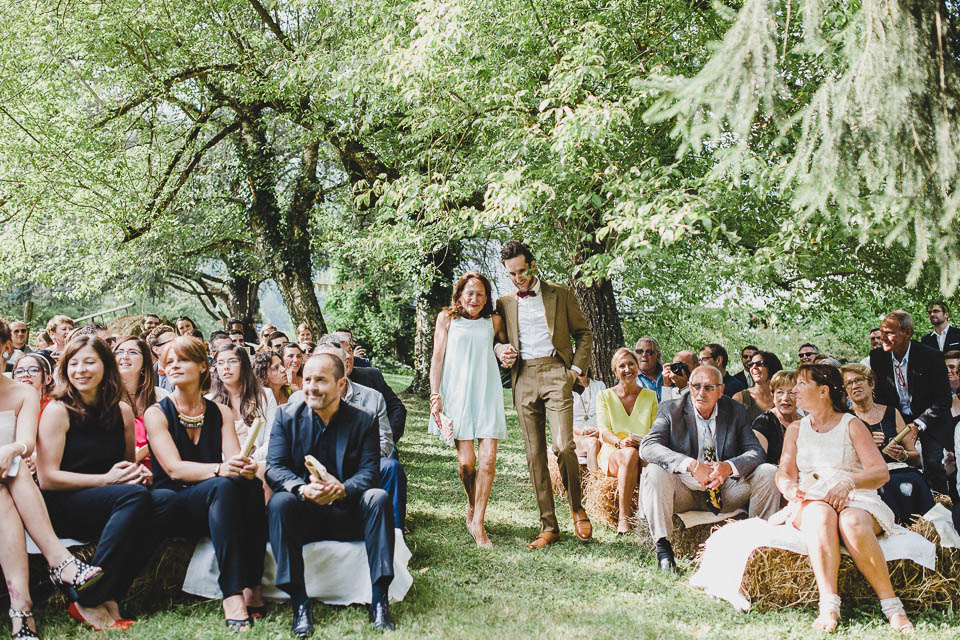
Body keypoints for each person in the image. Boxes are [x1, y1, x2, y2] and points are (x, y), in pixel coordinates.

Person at [775, 364, 914, 633]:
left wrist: (848, 483)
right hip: (813, 499)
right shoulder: (795, 428)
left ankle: (892, 605)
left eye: (802, 384)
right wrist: (789, 489)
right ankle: (828, 604)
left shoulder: (852, 424)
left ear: (824, 391)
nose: (794, 390)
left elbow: (880, 472)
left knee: (851, 522)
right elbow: (784, 472)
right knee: (820, 514)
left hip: (856, 496)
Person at [266, 354, 396, 636]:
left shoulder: (364, 420)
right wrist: (301, 489)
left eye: (320, 380)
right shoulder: (285, 417)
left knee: (378, 497)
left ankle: (379, 601)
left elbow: (370, 472)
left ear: (340, 384)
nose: (311, 387)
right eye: (308, 379)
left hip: (347, 513)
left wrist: (344, 488)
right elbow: (274, 468)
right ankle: (299, 602)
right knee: (280, 501)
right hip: (305, 514)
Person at [144, 336, 266, 632]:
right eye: (169, 361)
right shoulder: (156, 413)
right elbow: (173, 470)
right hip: (172, 502)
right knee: (223, 485)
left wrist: (245, 467)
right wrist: (222, 469)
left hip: (217, 501)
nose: (174, 366)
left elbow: (233, 460)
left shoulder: (221, 412)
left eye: (182, 359)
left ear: (202, 366)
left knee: (248, 485)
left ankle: (253, 585)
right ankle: (233, 593)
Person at [36, 335, 154, 630]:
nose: (81, 370)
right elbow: (47, 478)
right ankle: (88, 598)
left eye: (90, 362)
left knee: (158, 502)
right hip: (63, 504)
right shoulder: (58, 410)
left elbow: (125, 469)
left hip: (107, 502)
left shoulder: (123, 411)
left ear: (105, 366)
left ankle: (104, 593)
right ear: (64, 369)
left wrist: (137, 474)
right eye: (73, 363)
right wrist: (105, 480)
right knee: (134, 498)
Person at [0, 323, 104, 639]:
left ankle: (23, 610)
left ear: (6, 348)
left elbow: (27, 442)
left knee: (10, 478)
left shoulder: (22, 393)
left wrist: (12, 449)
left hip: (8, 479)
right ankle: (57, 564)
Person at [494, 241, 594, 548]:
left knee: (564, 446)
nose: (518, 279)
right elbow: (496, 340)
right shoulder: (504, 302)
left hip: (556, 374)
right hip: (523, 376)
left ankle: (577, 507)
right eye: (512, 274)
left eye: (522, 271)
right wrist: (501, 350)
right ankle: (549, 525)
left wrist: (575, 372)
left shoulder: (560, 294)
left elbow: (584, 334)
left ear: (533, 265)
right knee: (533, 453)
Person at [639, 365, 779, 572]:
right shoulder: (671, 409)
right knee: (654, 471)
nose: (700, 393)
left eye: (708, 388)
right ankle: (664, 552)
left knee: (768, 472)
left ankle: (757, 545)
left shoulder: (736, 411)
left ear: (721, 390)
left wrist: (728, 468)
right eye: (695, 386)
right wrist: (691, 465)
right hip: (684, 490)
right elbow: (647, 446)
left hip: (725, 488)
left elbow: (755, 452)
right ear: (688, 386)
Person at [292, 344, 407, 535]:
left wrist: (355, 463)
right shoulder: (299, 399)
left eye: (333, 363)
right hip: (315, 468)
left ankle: (394, 536)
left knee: (390, 467)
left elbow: (385, 442)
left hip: (362, 463)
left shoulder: (372, 398)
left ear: (345, 366)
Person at [429, 272, 508, 547]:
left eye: (481, 294)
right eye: (470, 293)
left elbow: (500, 346)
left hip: (486, 392)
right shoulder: (447, 319)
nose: (475, 299)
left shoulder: (494, 321)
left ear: (487, 298)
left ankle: (478, 522)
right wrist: (435, 394)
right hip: (457, 394)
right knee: (467, 464)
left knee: (488, 459)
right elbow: (437, 358)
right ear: (460, 294)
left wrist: (504, 352)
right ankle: (470, 502)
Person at [870, 310, 953, 493]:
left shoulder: (931, 356)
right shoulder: (877, 357)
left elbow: (944, 400)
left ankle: (942, 509)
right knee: (890, 461)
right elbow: (881, 397)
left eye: (889, 332)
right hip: (897, 418)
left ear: (906, 332)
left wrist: (918, 424)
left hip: (930, 420)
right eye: (881, 332)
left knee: (933, 464)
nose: (882, 337)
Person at [842, 364, 934, 524]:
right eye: (849, 383)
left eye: (859, 380)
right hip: (869, 477)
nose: (854, 385)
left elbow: (916, 458)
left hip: (900, 471)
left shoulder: (892, 412)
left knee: (916, 480)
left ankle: (925, 529)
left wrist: (903, 454)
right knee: (887, 486)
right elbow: (842, 462)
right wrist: (865, 445)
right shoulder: (845, 418)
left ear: (871, 384)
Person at [596, 348, 658, 535]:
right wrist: (620, 443)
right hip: (614, 450)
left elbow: (655, 431)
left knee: (648, 458)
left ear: (638, 367)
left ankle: (650, 515)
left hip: (643, 448)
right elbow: (604, 431)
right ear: (615, 372)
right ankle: (624, 517)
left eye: (631, 364)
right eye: (621, 366)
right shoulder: (604, 396)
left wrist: (642, 443)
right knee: (630, 454)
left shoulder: (650, 396)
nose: (627, 369)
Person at [209, 343, 278, 496]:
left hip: (258, 460)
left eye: (232, 361)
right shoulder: (209, 402)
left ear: (244, 365)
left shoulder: (265, 396)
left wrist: (251, 460)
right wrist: (232, 464)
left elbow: (271, 440)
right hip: (224, 464)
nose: (226, 367)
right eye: (220, 363)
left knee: (264, 471)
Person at [320, 332, 407, 448]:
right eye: (342, 352)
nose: (348, 357)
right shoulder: (315, 387)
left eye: (350, 351)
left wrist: (387, 439)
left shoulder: (372, 376)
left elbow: (397, 408)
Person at [113, 337, 167, 471]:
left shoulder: (161, 396)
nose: (124, 356)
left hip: (161, 468)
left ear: (144, 362)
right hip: (120, 472)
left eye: (132, 352)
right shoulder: (105, 399)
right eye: (119, 352)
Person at [751, 370, 798, 464]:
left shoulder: (805, 421)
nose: (785, 398)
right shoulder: (763, 423)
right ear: (773, 395)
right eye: (780, 392)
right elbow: (758, 461)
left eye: (792, 393)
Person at [732, 351, 783, 424]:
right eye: (751, 364)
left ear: (771, 366)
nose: (754, 367)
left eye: (759, 364)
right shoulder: (740, 398)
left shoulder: (783, 397)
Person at [572, 368, 605, 472]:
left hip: (598, 431)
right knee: (592, 443)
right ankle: (596, 483)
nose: (581, 368)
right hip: (575, 435)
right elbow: (562, 421)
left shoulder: (599, 386)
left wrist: (599, 431)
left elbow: (605, 414)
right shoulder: (566, 388)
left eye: (584, 363)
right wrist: (581, 432)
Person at [634, 337, 666, 401]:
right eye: (640, 351)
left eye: (649, 352)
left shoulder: (668, 374)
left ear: (658, 356)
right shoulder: (630, 378)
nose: (644, 355)